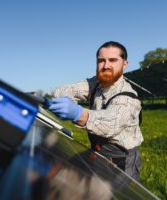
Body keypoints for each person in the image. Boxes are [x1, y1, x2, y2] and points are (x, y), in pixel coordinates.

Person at [46, 41, 143, 181]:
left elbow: (110, 124)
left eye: (113, 60)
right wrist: (63, 98)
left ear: (125, 64)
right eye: (101, 61)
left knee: (117, 195)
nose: (106, 65)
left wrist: (78, 113)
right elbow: (67, 89)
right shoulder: (96, 83)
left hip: (121, 160)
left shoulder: (128, 98)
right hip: (98, 152)